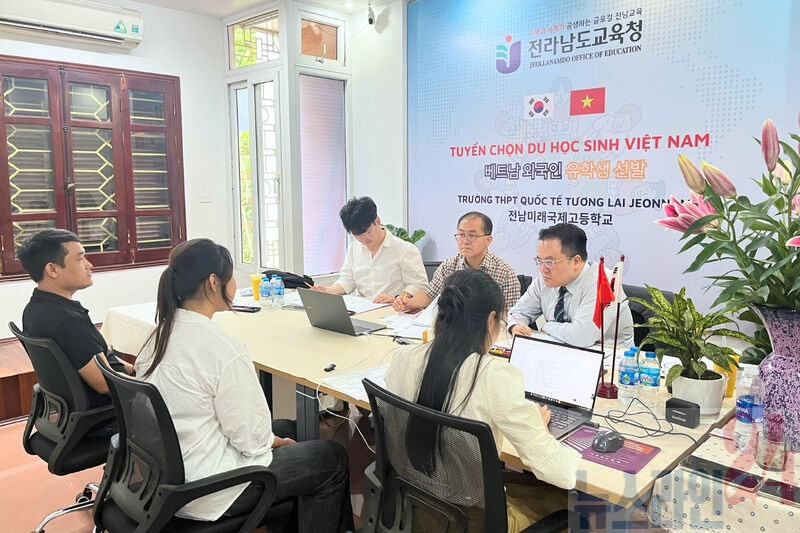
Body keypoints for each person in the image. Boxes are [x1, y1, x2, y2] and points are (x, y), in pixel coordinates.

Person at [134, 239, 353, 532]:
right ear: (214, 282)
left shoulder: (159, 336)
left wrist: (276, 438)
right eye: (232, 276)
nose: (235, 283)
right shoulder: (222, 349)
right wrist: (276, 443)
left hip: (167, 474)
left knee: (291, 427)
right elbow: (251, 439)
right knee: (331, 457)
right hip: (209, 487)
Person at [384, 269, 581, 531]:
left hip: (411, 504)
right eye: (501, 321)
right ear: (490, 320)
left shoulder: (403, 358)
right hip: (471, 521)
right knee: (576, 504)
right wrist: (539, 429)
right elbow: (562, 473)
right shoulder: (494, 375)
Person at [19, 229, 133, 412]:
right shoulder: (67, 321)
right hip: (108, 414)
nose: (89, 265)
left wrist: (135, 369)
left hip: (69, 412)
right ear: (52, 269)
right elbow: (106, 383)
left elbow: (100, 355)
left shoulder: (34, 308)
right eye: (80, 259)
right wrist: (150, 382)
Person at [507, 223, 633, 348]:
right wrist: (515, 326)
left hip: (608, 355)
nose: (543, 269)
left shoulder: (602, 282)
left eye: (549, 262)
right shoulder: (545, 278)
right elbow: (518, 312)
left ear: (576, 261)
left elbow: (582, 336)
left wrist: (546, 326)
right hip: (559, 349)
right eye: (539, 260)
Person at [393, 211, 520, 312]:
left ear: (488, 240)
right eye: (461, 234)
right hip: (452, 329)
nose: (465, 241)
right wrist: (408, 303)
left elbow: (510, 314)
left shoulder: (505, 273)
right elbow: (428, 295)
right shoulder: (448, 266)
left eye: (472, 235)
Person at [312, 197, 427, 303]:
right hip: (364, 310)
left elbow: (418, 284)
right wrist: (327, 290)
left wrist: (398, 298)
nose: (363, 239)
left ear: (377, 221)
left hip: (393, 310)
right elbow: (347, 281)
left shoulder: (405, 249)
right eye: (357, 235)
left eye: (367, 232)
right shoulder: (354, 249)